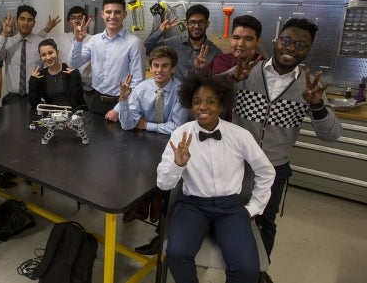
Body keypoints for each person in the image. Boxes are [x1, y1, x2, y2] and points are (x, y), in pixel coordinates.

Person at [229, 18, 342, 282]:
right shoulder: (247, 72)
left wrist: (316, 106)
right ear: (275, 41)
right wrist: (232, 78)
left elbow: (332, 135)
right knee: (231, 217)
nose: (291, 48)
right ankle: (233, 266)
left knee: (264, 223)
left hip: (274, 168)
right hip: (236, 164)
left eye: (301, 45)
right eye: (287, 40)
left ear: (308, 51)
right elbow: (205, 92)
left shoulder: (309, 86)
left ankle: (259, 270)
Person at [157, 69, 276, 283]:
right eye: (197, 101)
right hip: (192, 205)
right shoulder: (180, 135)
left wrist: (254, 207)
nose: (202, 107)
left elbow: (266, 171)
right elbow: (164, 184)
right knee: (176, 255)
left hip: (230, 207)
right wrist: (178, 164)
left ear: (221, 104)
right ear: (190, 104)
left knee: (247, 269)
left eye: (210, 101)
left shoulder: (240, 135)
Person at [115, 46, 189, 255]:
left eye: (165, 66)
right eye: (156, 65)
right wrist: (123, 100)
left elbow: (177, 126)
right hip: (143, 146)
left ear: (173, 68)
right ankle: (135, 209)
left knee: (167, 190)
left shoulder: (180, 91)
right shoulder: (141, 89)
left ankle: (162, 233)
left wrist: (147, 125)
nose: (159, 70)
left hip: (171, 148)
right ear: (150, 67)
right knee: (136, 180)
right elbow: (128, 125)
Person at [68, 0, 145, 120]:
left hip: (122, 103)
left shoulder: (134, 43)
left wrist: (117, 109)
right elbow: (74, 63)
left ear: (124, 14)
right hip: (96, 101)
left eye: (117, 12)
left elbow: (138, 82)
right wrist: (77, 41)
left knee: (121, 139)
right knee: (95, 139)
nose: (112, 16)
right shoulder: (94, 40)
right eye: (109, 12)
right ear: (102, 14)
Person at [0, 5, 61, 105]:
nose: (25, 23)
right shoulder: (8, 42)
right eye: (22, 19)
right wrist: (4, 34)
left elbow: (49, 68)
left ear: (34, 23)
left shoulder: (41, 43)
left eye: (29, 19)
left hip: (36, 96)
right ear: (16, 21)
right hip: (12, 98)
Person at [144, 4, 222, 80]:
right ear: (186, 24)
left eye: (201, 22)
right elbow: (146, 49)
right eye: (192, 22)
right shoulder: (173, 43)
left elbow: (218, 83)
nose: (196, 26)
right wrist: (160, 31)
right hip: (172, 92)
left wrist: (204, 71)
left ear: (207, 24)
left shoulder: (216, 53)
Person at [28, 38, 86, 109]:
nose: (48, 57)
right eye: (43, 55)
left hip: (73, 114)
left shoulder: (70, 70)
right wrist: (32, 82)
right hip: (52, 116)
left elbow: (79, 99)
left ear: (57, 52)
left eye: (51, 53)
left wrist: (75, 76)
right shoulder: (40, 76)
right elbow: (34, 103)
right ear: (40, 57)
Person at [55, 5, 93, 91]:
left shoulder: (93, 40)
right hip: (65, 86)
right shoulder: (60, 38)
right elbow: (39, 43)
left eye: (80, 18)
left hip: (87, 87)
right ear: (68, 21)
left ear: (86, 20)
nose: (76, 21)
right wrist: (47, 29)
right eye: (73, 18)